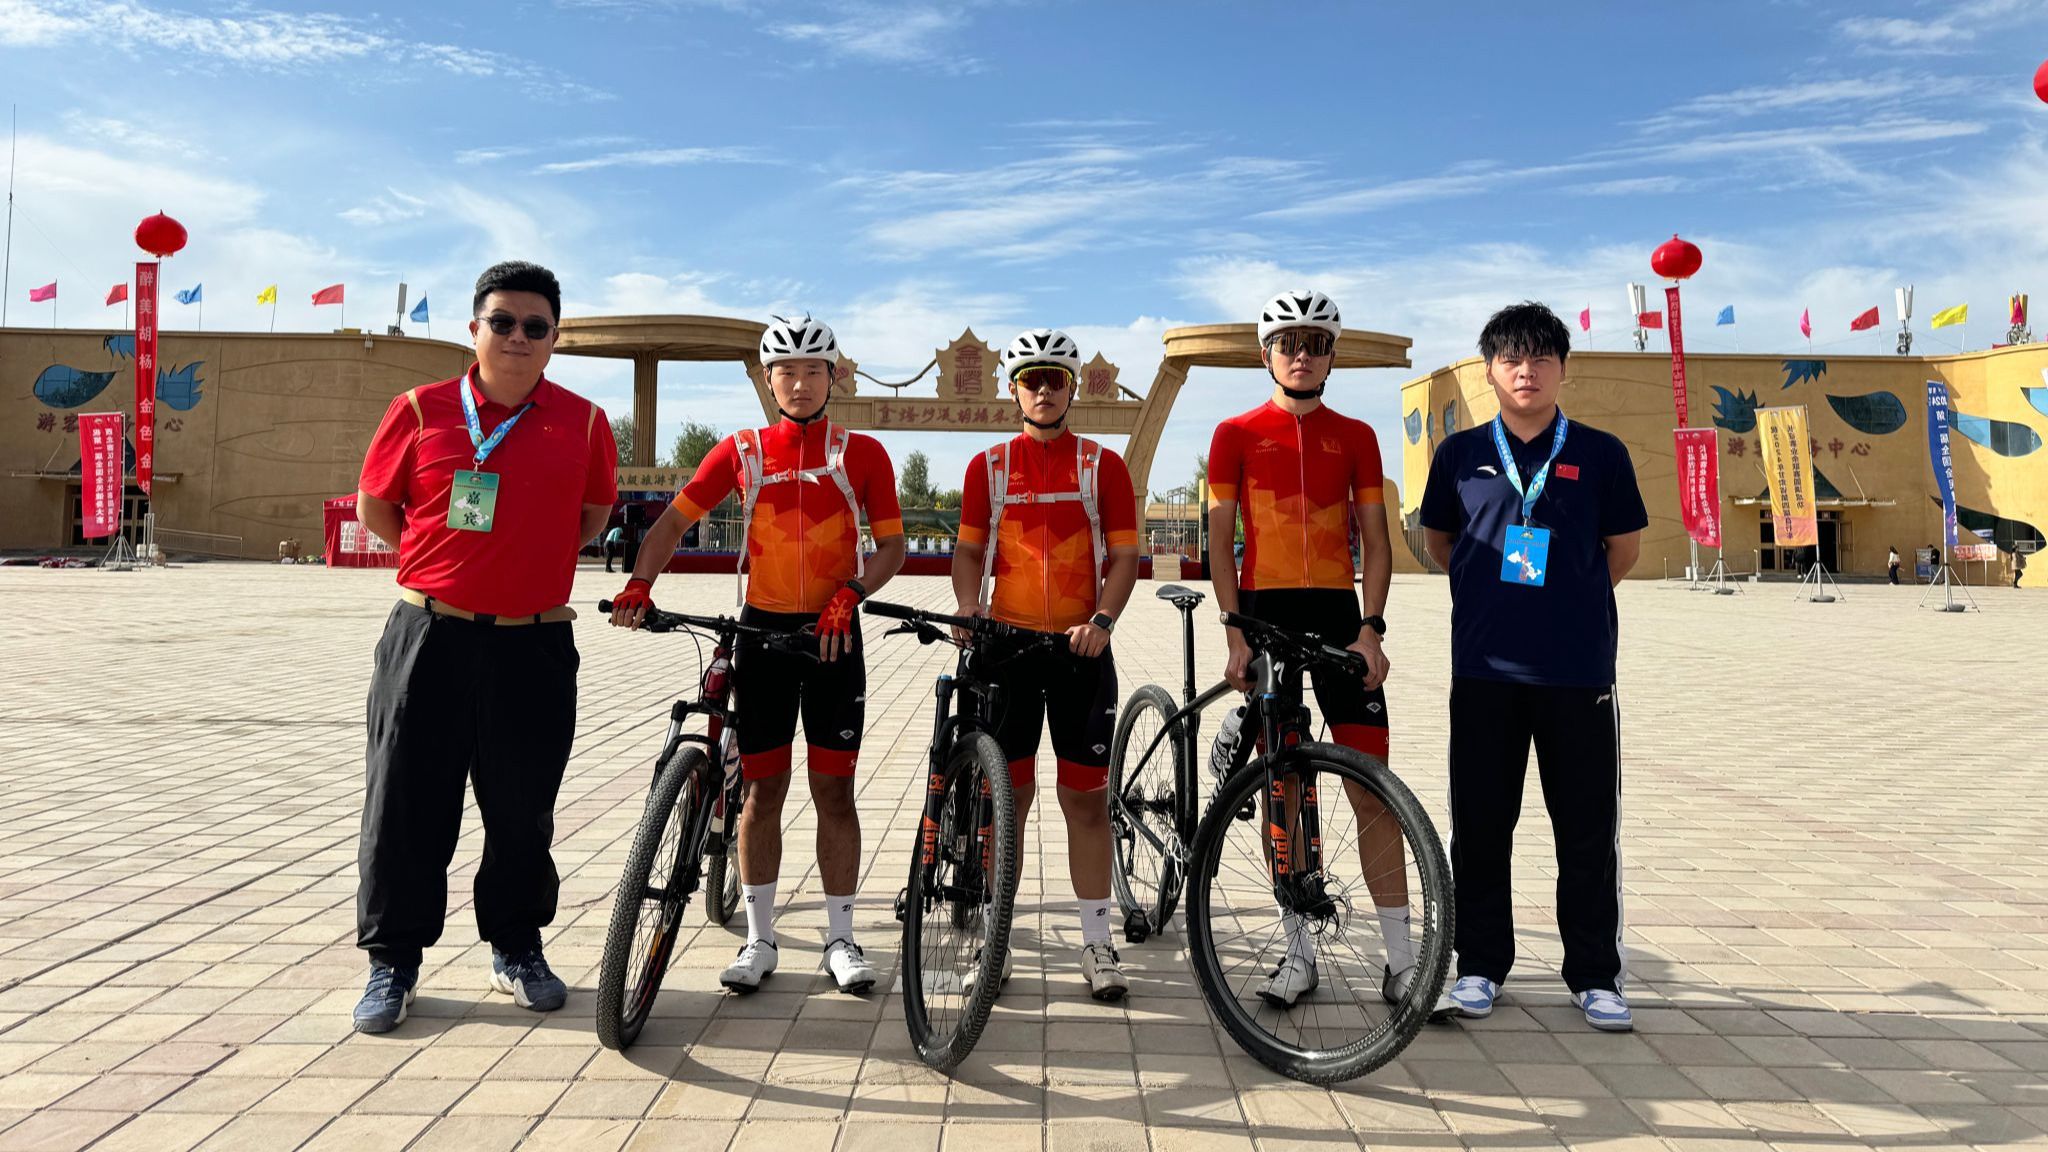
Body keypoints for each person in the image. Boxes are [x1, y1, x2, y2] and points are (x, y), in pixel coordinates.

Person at [350, 261, 618, 1033]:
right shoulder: (418, 408)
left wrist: (519, 567)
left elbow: (591, 518)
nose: (517, 337)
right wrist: (444, 567)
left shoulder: (585, 423)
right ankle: (393, 962)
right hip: (428, 635)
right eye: (502, 322)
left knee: (522, 810)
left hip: (532, 645)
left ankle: (517, 947)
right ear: (474, 329)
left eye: (536, 326)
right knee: (405, 805)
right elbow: (376, 509)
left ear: (554, 339)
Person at [611, 315, 905, 995]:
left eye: (813, 371)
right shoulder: (742, 451)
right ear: (768, 380)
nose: (800, 384)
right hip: (762, 637)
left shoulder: (863, 454)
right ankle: (759, 938)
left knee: (834, 792)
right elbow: (673, 521)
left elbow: (890, 546)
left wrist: (853, 592)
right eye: (786, 372)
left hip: (833, 637)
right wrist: (640, 582)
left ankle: (840, 938)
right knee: (762, 791)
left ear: (833, 377)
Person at [1419, 301, 1647, 1033]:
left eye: (1541, 357)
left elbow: (1622, 551)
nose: (1527, 371)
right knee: (1481, 826)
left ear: (1563, 369)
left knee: (1586, 830)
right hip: (1484, 671)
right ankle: (1480, 965)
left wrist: (1567, 602)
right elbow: (1441, 544)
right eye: (1512, 358)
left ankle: (1595, 975)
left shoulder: (1602, 453)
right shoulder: (1458, 454)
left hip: (1577, 674)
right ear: (1490, 371)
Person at [1206, 290, 1419, 1010]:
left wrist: (1372, 628)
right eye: (1288, 342)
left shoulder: (1356, 435)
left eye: (1317, 342)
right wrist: (1234, 632)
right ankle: (1298, 952)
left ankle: (1402, 962)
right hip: (1265, 615)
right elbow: (1221, 543)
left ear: (1332, 356)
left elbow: (1377, 542)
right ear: (1266, 354)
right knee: (1289, 789)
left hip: (1337, 617)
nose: (1302, 354)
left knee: (1373, 789)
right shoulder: (1234, 433)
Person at [950, 328, 1141, 1001]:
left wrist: (1103, 621)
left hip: (1079, 651)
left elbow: (1124, 556)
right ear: (1014, 390)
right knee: (1007, 800)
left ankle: (1096, 942)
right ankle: (996, 939)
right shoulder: (988, 467)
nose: (1043, 390)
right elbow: (969, 552)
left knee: (1083, 801)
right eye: (1030, 379)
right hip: (1006, 652)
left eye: (1054, 379)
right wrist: (968, 607)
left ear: (1071, 388)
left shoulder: (1103, 466)